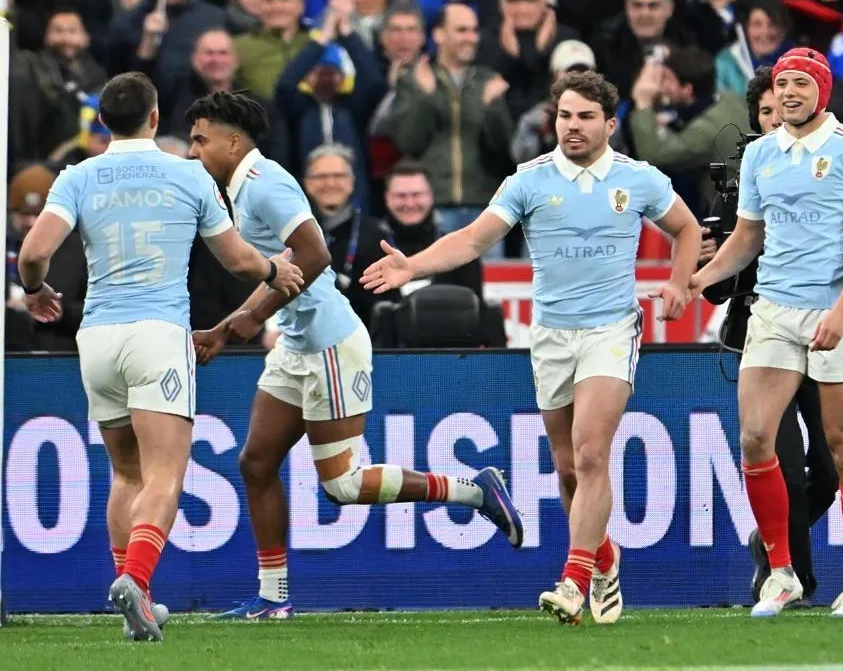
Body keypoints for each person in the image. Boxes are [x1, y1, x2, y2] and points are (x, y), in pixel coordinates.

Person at [361, 71, 701, 626]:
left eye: (585, 117)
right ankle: (603, 558)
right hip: (550, 337)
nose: (573, 126)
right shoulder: (529, 180)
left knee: (591, 454)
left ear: (610, 124)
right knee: (567, 471)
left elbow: (686, 229)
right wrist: (412, 266)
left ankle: (573, 581)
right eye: (565, 116)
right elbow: (472, 239)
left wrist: (679, 283)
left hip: (611, 331)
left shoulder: (639, 179)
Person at [184, 91, 523, 620]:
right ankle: (273, 598)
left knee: (342, 485)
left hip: (330, 344)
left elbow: (316, 254)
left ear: (232, 142)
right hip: (297, 343)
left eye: (200, 140)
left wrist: (255, 316)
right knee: (255, 462)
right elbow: (284, 270)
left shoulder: (265, 183)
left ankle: (474, 491)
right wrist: (229, 328)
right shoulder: (242, 187)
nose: (192, 151)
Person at [16, 72, 305, 641]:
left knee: (125, 472)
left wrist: (35, 290)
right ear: (154, 118)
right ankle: (138, 580)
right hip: (157, 336)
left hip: (98, 338)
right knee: (164, 472)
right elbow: (238, 260)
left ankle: (136, 599)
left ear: (103, 121)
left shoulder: (77, 176)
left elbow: (32, 253)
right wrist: (276, 269)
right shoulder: (187, 174)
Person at [689, 48, 843, 619]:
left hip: (834, 309)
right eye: (782, 84)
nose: (789, 93)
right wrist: (697, 280)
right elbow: (746, 237)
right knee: (755, 437)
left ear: (822, 90)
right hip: (773, 311)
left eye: (801, 83)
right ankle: (781, 574)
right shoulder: (759, 154)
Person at [700, 65, 837, 605]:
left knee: (831, 468)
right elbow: (716, 292)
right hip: (761, 336)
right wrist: (709, 263)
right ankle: (793, 580)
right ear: (756, 121)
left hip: (820, 331)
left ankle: (769, 538)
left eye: (784, 107)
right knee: (783, 466)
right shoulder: (740, 186)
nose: (777, 116)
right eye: (765, 111)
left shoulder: (828, 170)